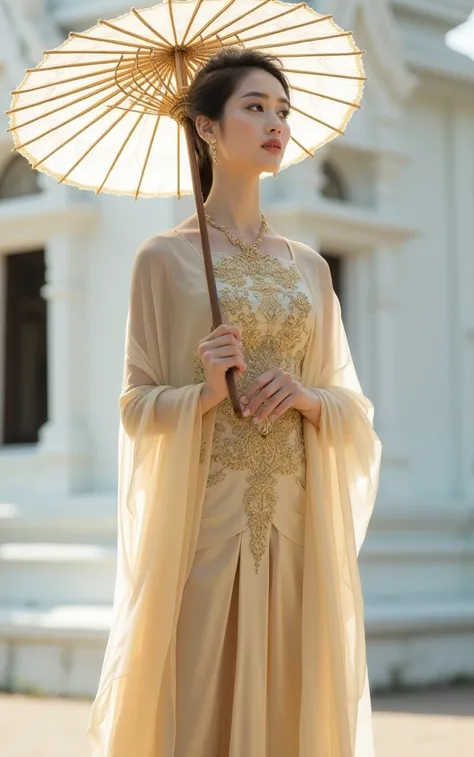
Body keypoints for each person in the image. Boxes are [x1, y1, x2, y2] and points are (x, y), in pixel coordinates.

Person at [87, 48, 381, 757]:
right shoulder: (162, 258)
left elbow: (350, 404)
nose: (276, 122)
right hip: (205, 522)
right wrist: (204, 390)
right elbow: (134, 405)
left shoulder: (308, 266)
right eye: (255, 107)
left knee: (290, 696)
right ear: (206, 128)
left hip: (295, 519)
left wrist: (312, 400)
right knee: (195, 699)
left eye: (283, 110)